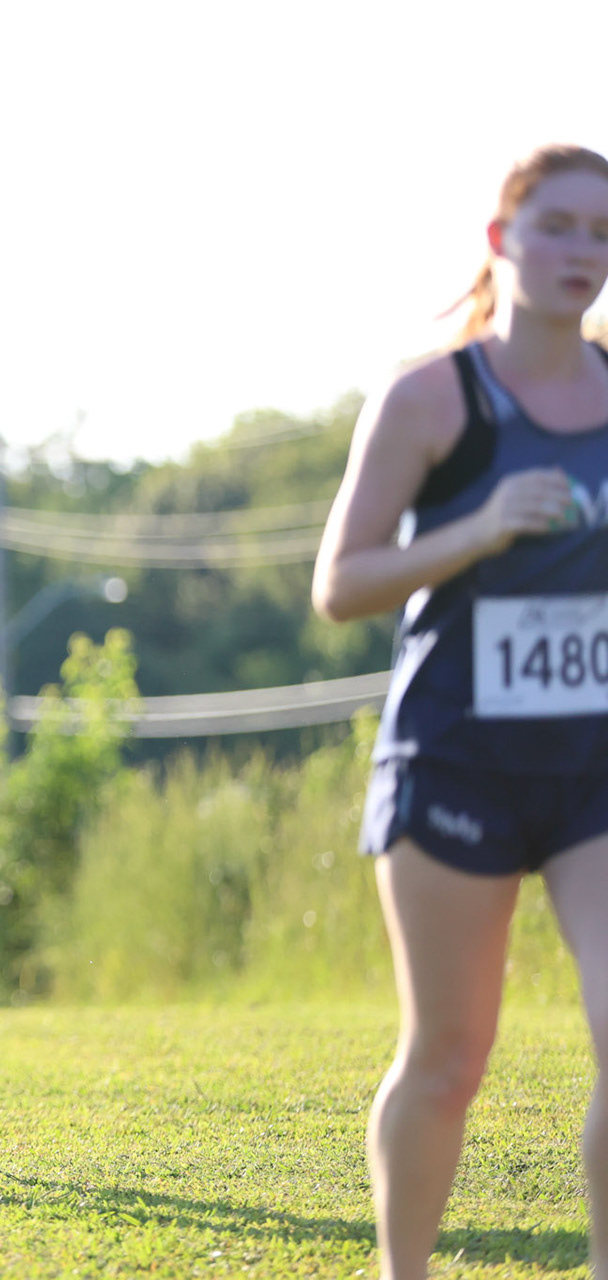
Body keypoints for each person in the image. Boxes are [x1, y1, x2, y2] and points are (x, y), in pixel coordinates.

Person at [313, 144, 608, 1280]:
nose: (583, 252)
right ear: (503, 239)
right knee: (449, 1055)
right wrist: (480, 527)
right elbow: (340, 585)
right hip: (457, 761)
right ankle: (405, 1270)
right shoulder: (433, 393)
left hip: (594, 767)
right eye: (560, 226)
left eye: (602, 233)